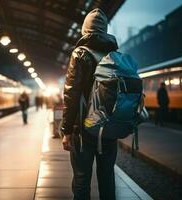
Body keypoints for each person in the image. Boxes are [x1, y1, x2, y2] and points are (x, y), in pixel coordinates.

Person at [61, 8, 118, 200]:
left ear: (85, 30)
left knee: (82, 179)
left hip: (83, 129)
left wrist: (66, 130)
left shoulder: (80, 54)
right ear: (104, 30)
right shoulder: (115, 55)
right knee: (107, 179)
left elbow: (71, 94)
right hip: (109, 128)